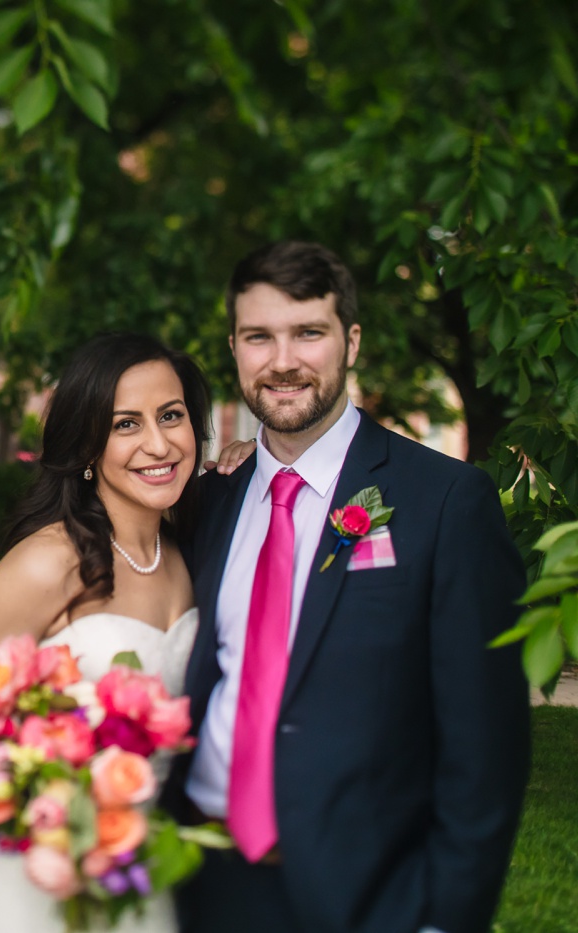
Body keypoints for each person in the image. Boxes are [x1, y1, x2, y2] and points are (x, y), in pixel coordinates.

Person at [170, 241, 530, 933]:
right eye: (259, 337)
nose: (282, 361)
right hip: (194, 879)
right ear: (235, 347)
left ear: (351, 340)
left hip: (366, 899)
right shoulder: (208, 501)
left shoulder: (446, 502)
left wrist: (443, 919)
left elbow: (486, 751)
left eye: (308, 332)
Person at [0, 332, 250, 933]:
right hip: (32, 874)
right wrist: (55, 807)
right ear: (86, 445)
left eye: (172, 416)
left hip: (141, 871)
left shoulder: (195, 551)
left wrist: (245, 464)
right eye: (125, 425)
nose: (158, 444)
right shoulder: (45, 565)